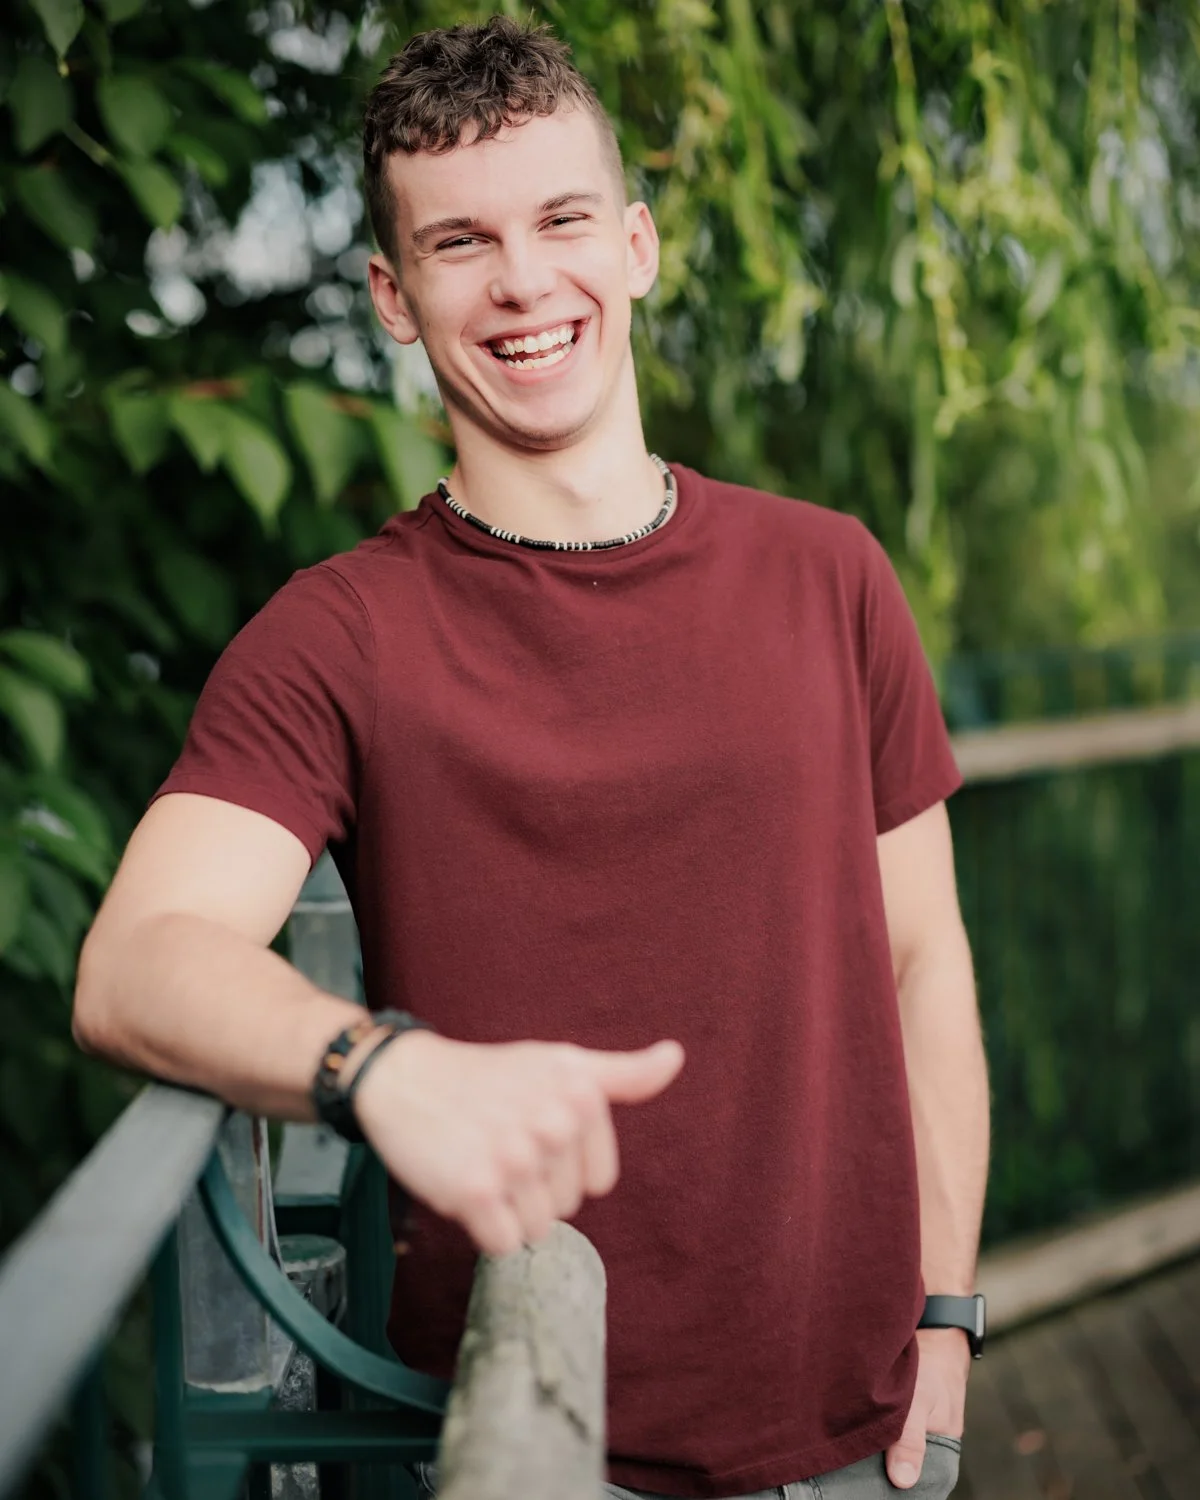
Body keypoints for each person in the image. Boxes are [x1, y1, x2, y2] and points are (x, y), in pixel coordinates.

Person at [73, 16, 989, 1500]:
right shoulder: (337, 636)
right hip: (519, 1443)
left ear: (634, 244)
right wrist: (382, 1071)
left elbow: (924, 961)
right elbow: (134, 965)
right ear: (390, 292)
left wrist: (948, 1318)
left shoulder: (831, 576)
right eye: (459, 243)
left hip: (864, 1443)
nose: (523, 282)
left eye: (563, 220)